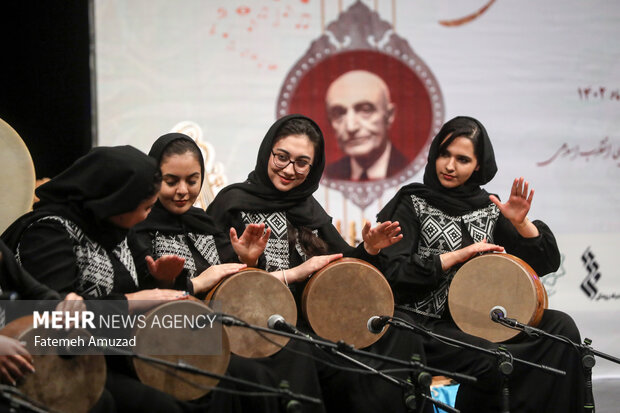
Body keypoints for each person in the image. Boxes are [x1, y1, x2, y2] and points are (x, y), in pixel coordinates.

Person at [207, 114, 431, 413]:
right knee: (315, 352)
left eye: (301, 163)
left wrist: (369, 249)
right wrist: (258, 264)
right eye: (282, 157)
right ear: (267, 153)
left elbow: (341, 266)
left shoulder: (307, 207)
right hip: (261, 326)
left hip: (320, 321)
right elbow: (217, 284)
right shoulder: (232, 202)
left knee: (400, 329)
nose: (289, 170)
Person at [377, 116, 587, 413]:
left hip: (477, 321)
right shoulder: (412, 203)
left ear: (478, 165)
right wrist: (455, 257)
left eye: (462, 159)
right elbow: (395, 273)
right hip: (420, 323)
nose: (450, 166)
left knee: (560, 328)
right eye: (444, 155)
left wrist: (521, 222)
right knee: (494, 358)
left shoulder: (489, 207)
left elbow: (543, 264)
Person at [0, 146, 204, 413]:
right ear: (116, 203)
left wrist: (165, 281)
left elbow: (48, 298)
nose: (147, 215)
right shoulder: (47, 232)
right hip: (61, 359)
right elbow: (46, 324)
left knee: (198, 384)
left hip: (115, 348)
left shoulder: (117, 229)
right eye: (145, 207)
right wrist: (127, 303)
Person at [127, 132, 280, 413]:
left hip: (223, 329)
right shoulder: (138, 226)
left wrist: (249, 262)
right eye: (171, 181)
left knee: (280, 360)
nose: (182, 190)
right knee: (251, 376)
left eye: (192, 180)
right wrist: (188, 283)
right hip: (169, 337)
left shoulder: (203, 223)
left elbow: (235, 288)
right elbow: (137, 297)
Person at [324, 70, 408, 181]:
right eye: (339, 114)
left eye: (365, 110)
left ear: (389, 115)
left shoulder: (411, 171)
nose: (351, 127)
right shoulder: (326, 176)